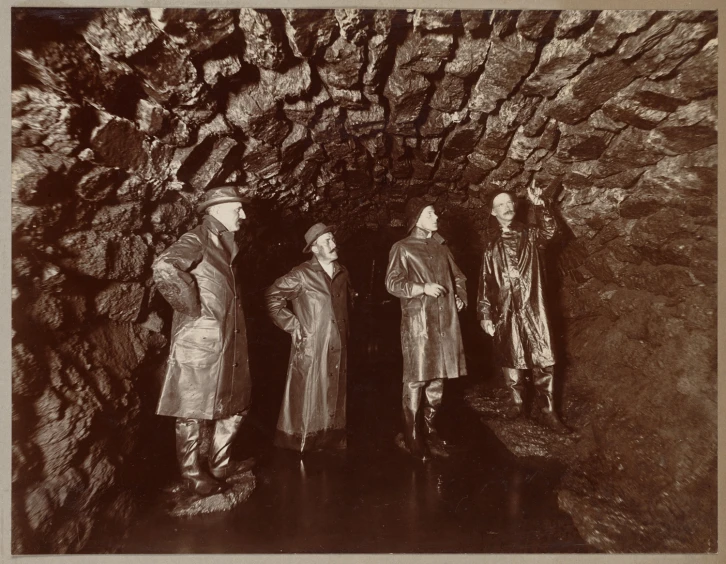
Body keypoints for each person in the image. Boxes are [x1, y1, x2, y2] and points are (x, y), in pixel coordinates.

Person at [152, 185, 253, 496]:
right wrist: (192, 308)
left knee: (236, 405)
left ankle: (220, 464)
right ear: (218, 210)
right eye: (238, 209)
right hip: (200, 341)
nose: (243, 214)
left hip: (227, 341)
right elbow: (164, 266)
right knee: (192, 409)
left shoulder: (225, 243)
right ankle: (192, 473)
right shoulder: (198, 237)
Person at [477, 183, 571, 434]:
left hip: (532, 304)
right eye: (500, 205)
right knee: (510, 353)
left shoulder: (530, 234)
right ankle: (516, 403)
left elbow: (551, 233)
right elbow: (485, 283)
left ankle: (548, 410)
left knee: (543, 354)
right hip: (505, 307)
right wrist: (485, 314)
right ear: (493, 212)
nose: (507, 207)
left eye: (509, 203)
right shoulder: (491, 245)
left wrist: (541, 206)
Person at [385, 198, 467, 461]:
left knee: (438, 376)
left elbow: (459, 277)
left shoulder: (442, 248)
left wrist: (460, 296)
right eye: (430, 213)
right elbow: (392, 283)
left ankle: (430, 428)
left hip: (445, 322)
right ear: (417, 218)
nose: (436, 217)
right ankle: (412, 435)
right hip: (418, 323)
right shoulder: (402, 247)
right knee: (417, 378)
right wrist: (422, 288)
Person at [265, 223, 354, 453]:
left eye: (333, 239)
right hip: (313, 345)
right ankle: (301, 443)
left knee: (333, 393)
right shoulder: (302, 274)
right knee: (310, 393)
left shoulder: (342, 272)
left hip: (338, 345)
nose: (334, 245)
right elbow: (272, 296)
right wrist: (294, 325)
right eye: (327, 241)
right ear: (314, 248)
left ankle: (331, 440)